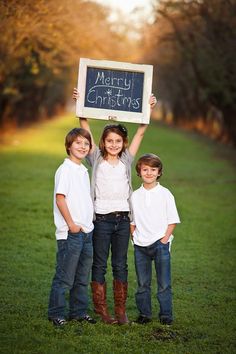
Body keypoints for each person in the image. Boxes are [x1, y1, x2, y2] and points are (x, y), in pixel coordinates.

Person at [73, 88, 157, 324]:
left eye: (117, 141)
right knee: (99, 264)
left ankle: (120, 310)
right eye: (109, 141)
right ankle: (103, 311)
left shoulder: (127, 160)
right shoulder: (95, 158)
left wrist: (147, 110)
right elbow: (85, 130)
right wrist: (82, 108)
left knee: (120, 263)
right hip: (100, 220)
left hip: (122, 221)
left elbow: (141, 133)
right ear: (102, 142)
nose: (113, 144)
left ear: (123, 143)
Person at [48, 128, 96, 327]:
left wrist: (86, 225)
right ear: (68, 146)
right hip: (71, 232)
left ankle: (78, 312)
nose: (82, 147)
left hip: (86, 232)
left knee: (82, 277)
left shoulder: (83, 170)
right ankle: (56, 313)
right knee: (65, 277)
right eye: (78, 143)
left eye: (86, 143)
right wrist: (71, 225)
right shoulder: (65, 169)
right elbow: (61, 199)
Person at [130, 153, 180, 325]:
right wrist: (134, 237)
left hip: (160, 244)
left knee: (164, 283)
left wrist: (164, 240)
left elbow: (172, 220)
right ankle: (144, 314)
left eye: (153, 169)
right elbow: (132, 221)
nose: (149, 173)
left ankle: (166, 316)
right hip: (140, 246)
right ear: (139, 172)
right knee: (143, 283)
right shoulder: (135, 196)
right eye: (145, 169)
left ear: (159, 172)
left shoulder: (165, 194)